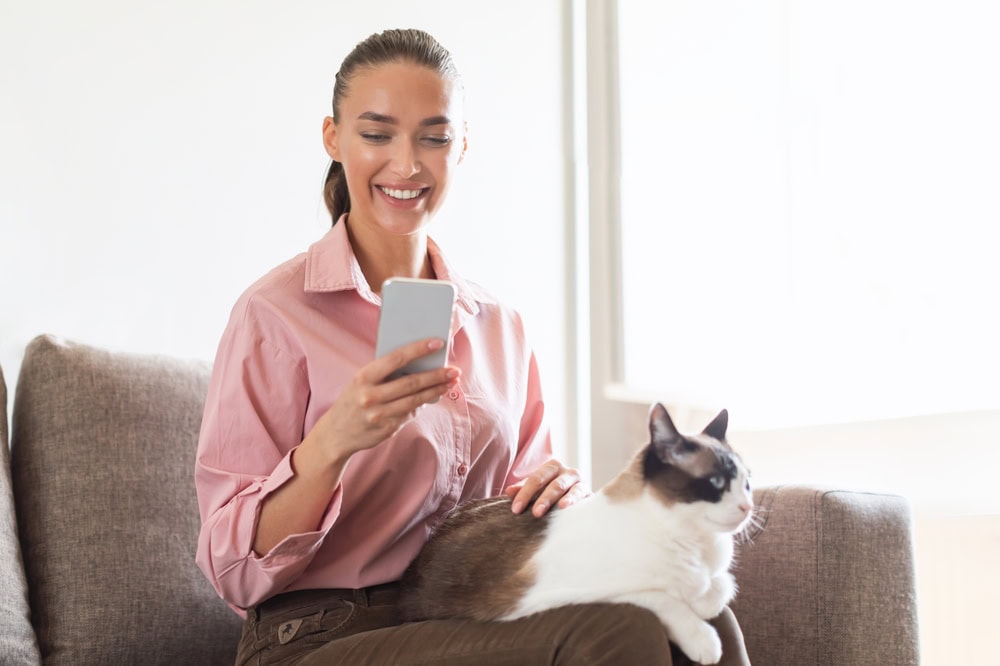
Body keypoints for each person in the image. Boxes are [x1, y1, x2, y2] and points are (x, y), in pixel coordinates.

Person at [195, 27, 750, 665]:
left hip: (464, 608)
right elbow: (232, 572)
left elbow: (527, 508)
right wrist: (333, 442)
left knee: (712, 624)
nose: (406, 164)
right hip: (317, 635)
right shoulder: (275, 315)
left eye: (433, 137)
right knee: (617, 633)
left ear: (461, 147)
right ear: (333, 138)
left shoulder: (499, 326)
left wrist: (558, 497)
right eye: (377, 134)